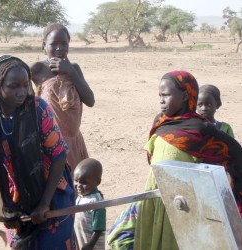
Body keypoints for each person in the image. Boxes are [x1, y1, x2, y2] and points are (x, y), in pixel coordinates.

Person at [108, 71, 242, 250]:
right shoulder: (162, 124)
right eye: (159, 96)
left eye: (166, 95)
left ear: (185, 96)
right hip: (153, 200)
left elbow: (233, 157)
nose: (161, 100)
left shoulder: (199, 131)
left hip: (181, 207)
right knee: (119, 237)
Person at [0, 55, 75, 249]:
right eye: (13, 86)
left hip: (51, 191)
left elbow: (59, 156)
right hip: (13, 197)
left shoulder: (37, 109)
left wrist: (44, 204)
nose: (21, 92)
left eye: (25, 84)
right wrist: (6, 210)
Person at [30, 23, 95, 173]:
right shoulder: (37, 69)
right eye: (54, 44)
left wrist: (70, 71)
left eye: (64, 43)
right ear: (43, 45)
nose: (59, 48)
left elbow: (90, 100)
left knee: (78, 183)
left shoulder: (74, 68)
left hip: (74, 139)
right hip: (51, 140)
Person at [74, 158, 106, 250]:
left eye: (84, 182)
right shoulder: (81, 196)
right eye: (76, 181)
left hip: (92, 246)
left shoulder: (96, 202)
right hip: (82, 240)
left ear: (97, 182)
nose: (78, 185)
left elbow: (99, 227)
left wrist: (91, 244)